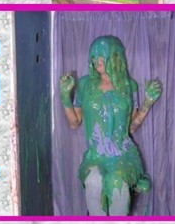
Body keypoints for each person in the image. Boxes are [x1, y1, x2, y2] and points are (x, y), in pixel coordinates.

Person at [59, 35, 162, 216]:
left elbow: (131, 127)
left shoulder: (129, 86)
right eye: (94, 55)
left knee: (116, 182)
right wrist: (65, 96)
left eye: (102, 55)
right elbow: (75, 123)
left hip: (122, 154)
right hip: (95, 156)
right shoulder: (85, 85)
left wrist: (147, 103)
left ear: (114, 56)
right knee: (94, 181)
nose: (96, 60)